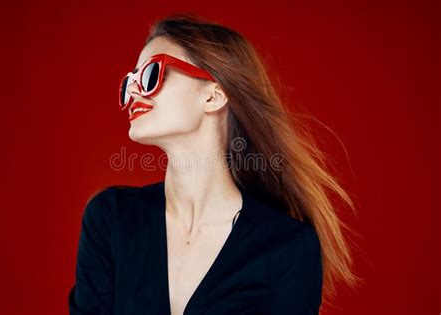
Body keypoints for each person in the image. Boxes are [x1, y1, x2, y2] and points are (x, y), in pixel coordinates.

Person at [68, 13, 361, 315]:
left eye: (151, 74)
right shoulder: (110, 219)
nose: (132, 92)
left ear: (214, 95)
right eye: (130, 80)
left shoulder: (288, 248)